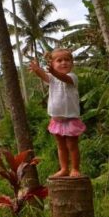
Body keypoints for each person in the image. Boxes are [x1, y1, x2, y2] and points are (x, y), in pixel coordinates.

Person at [29, 48, 85, 178]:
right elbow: (44, 76)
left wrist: (53, 72)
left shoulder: (72, 77)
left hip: (70, 119)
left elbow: (62, 77)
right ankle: (64, 168)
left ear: (72, 63)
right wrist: (37, 70)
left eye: (67, 60)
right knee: (61, 146)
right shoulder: (52, 79)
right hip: (56, 119)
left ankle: (75, 169)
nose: (63, 63)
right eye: (59, 60)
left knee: (72, 145)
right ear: (52, 64)